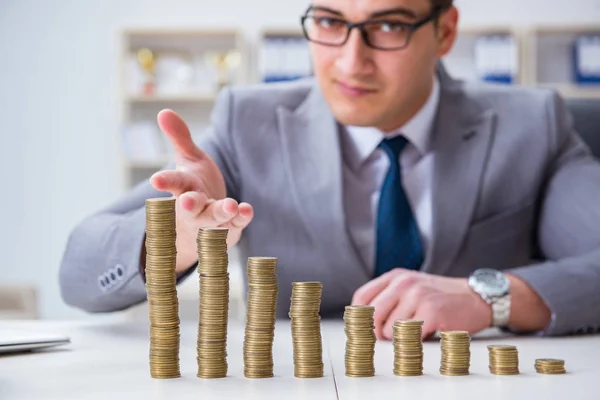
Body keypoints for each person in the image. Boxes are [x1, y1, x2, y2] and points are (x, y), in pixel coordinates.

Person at [59, 0, 600, 341]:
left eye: (387, 25)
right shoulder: (248, 124)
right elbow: (78, 273)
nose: (350, 61)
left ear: (445, 31)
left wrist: (492, 296)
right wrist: (173, 236)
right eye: (329, 21)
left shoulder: (533, 124)